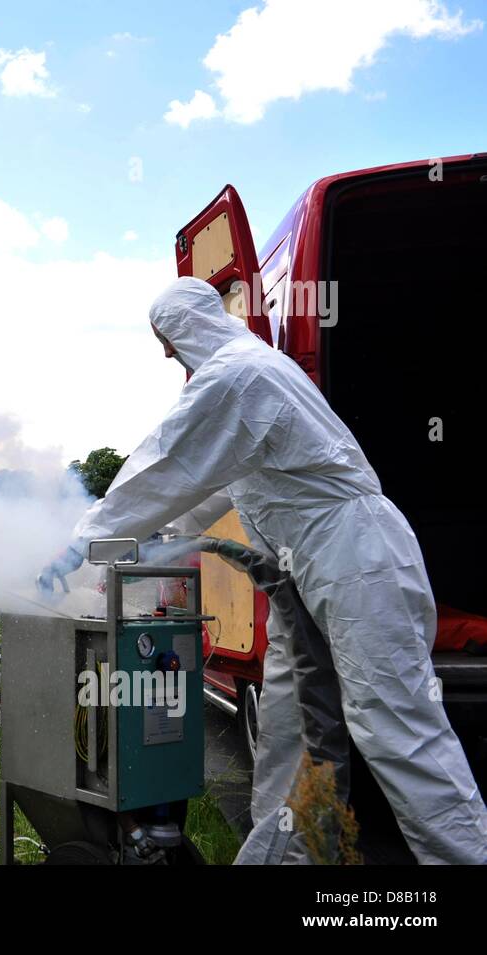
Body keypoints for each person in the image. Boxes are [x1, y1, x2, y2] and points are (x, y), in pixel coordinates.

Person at [47, 276, 487, 864]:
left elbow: (165, 461)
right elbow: (206, 489)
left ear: (181, 329)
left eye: (164, 338)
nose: (164, 352)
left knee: (396, 726)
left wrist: (84, 539)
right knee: (290, 733)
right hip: (302, 575)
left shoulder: (239, 374)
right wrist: (146, 545)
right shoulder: (251, 376)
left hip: (355, 556)